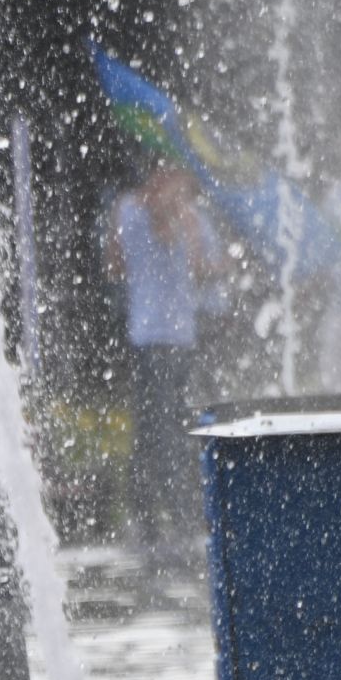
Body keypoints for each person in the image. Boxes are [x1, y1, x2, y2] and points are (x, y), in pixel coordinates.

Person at [104, 161, 223, 572]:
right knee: (153, 434)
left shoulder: (192, 217)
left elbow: (206, 270)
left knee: (176, 431)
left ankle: (180, 521)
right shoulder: (131, 210)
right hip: (149, 339)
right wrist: (160, 218)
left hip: (181, 340)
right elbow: (115, 265)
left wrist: (185, 225)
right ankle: (153, 521)